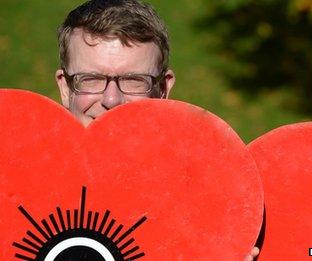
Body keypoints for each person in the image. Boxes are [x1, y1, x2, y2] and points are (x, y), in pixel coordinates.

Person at [55, 0, 258, 259]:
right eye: (91, 79)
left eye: (133, 80)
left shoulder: (208, 204)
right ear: (65, 87)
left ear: (163, 89)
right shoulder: (18, 191)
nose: (111, 100)